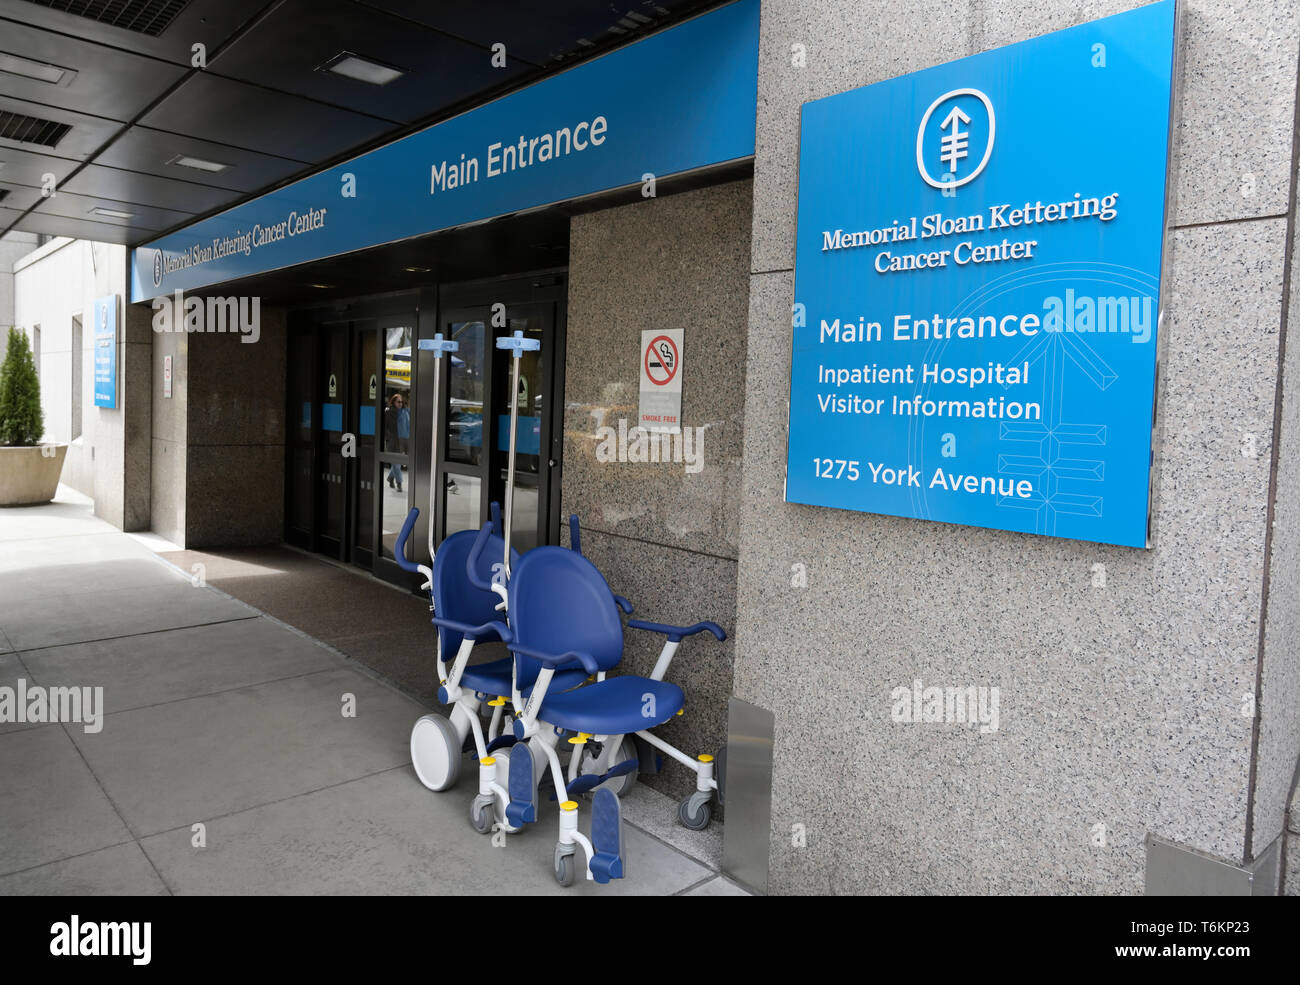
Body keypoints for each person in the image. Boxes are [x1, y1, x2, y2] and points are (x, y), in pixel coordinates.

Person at [385, 392, 410, 492]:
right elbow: (385, 426)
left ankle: (391, 478)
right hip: (393, 440)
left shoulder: (405, 412)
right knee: (396, 463)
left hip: (403, 440)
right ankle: (399, 483)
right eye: (398, 402)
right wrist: (388, 437)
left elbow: (408, 426)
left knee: (398, 462)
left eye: (401, 402)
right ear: (393, 402)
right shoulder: (389, 412)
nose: (400, 403)